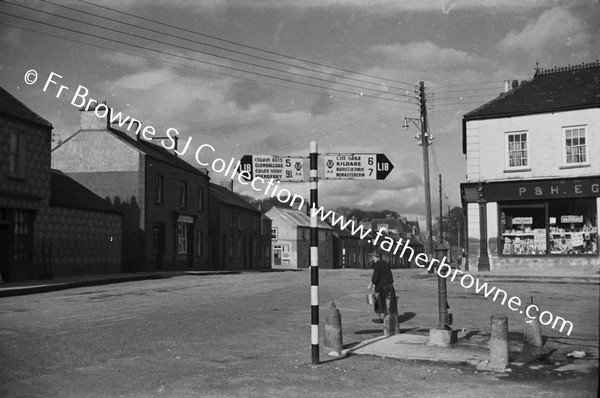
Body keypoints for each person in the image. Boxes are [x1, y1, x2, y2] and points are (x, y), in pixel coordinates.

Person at [367, 250, 395, 323]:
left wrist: (371, 284)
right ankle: (387, 318)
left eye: (374, 257)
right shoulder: (386, 263)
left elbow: (375, 277)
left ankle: (378, 318)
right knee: (387, 303)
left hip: (381, 287)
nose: (373, 259)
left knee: (377, 302)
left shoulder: (377, 265)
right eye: (372, 257)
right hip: (389, 286)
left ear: (377, 257)